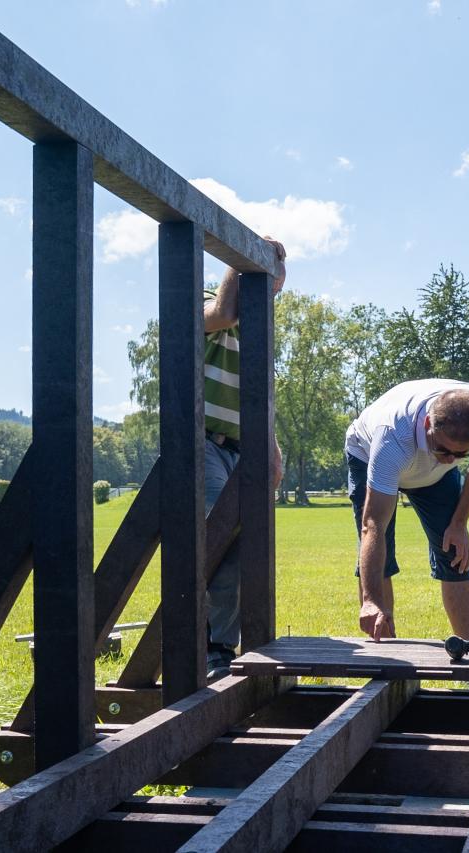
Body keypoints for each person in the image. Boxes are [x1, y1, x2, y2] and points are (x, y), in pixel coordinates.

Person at [348, 379, 469, 643]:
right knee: (378, 551)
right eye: (442, 449)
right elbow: (373, 524)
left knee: (455, 553)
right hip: (367, 453)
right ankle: (386, 652)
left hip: (434, 479)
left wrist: (459, 523)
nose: (449, 459)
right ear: (428, 424)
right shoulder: (392, 438)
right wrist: (370, 600)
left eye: (460, 455)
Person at [204, 237, 286, 680]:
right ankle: (212, 646)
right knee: (221, 534)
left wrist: (271, 453)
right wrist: (246, 253)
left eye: (275, 289)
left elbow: (261, 399)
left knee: (247, 540)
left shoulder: (260, 335)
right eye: (263, 283)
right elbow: (223, 312)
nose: (269, 295)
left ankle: (223, 643)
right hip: (201, 443)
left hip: (242, 447)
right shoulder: (203, 307)